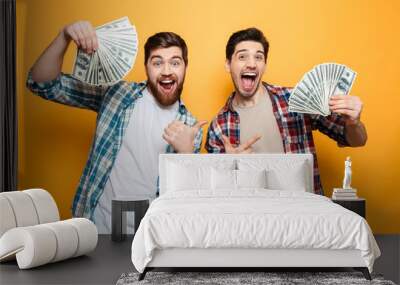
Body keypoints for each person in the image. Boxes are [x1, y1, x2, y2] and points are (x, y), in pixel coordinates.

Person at [26, 20, 206, 233]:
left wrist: (185, 153)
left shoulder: (191, 128)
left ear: (185, 66)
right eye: (157, 62)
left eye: (175, 62)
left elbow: (186, 204)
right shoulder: (116, 94)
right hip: (95, 227)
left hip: (150, 233)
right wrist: (63, 36)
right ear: (146, 67)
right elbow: (43, 84)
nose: (167, 71)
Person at [205, 27, 367, 195]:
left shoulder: (295, 100)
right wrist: (229, 167)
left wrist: (353, 123)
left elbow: (356, 140)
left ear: (264, 65)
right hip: (253, 216)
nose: (251, 64)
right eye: (242, 56)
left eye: (258, 57)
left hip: (302, 213)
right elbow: (218, 196)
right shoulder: (219, 127)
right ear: (228, 64)